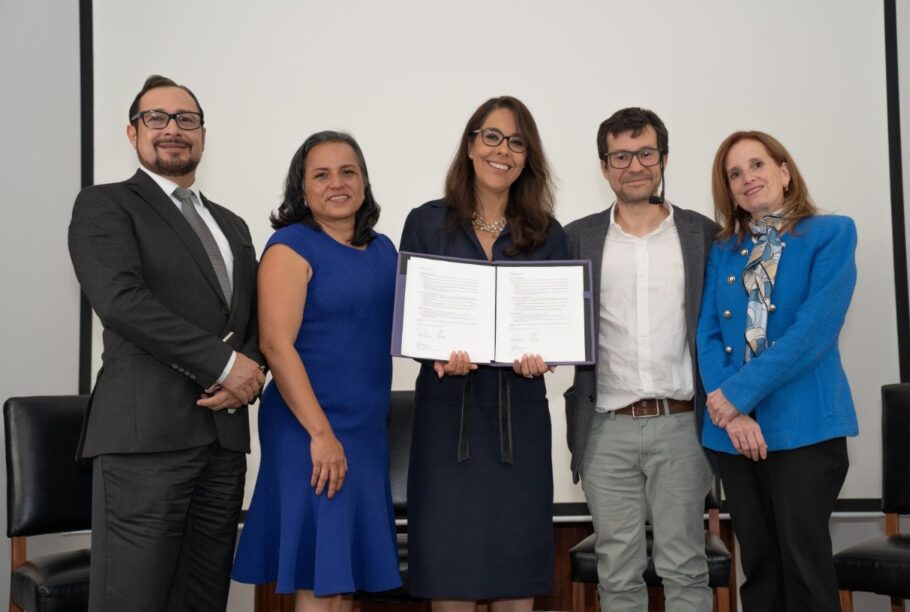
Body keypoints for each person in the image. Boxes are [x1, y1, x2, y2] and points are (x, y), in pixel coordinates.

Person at [67, 75, 265, 612]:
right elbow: (122, 302)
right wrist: (226, 365)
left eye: (187, 119)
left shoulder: (233, 224)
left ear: (203, 133)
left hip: (222, 444)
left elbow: (253, 321)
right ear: (132, 133)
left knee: (203, 602)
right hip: (144, 441)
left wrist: (253, 370)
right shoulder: (104, 205)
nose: (173, 129)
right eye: (157, 118)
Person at [399, 96, 567, 610]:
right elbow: (411, 319)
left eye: (517, 142)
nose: (504, 150)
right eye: (492, 136)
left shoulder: (548, 232)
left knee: (516, 581)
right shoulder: (427, 224)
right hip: (447, 423)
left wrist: (548, 356)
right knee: (449, 579)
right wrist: (430, 354)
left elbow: (556, 330)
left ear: (528, 156)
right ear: (471, 145)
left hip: (520, 419)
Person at [231, 131, 401, 610]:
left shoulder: (385, 249)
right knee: (318, 581)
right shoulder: (290, 246)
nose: (337, 183)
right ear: (301, 188)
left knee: (342, 581)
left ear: (364, 182)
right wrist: (321, 434)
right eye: (321, 175)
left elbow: (410, 328)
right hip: (310, 430)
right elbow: (275, 346)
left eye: (348, 172)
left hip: (365, 433)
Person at [564, 107, 717, 612]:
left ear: (664, 158)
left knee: (685, 569)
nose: (634, 166)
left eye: (645, 153)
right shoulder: (574, 239)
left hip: (680, 426)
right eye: (621, 156)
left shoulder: (703, 236)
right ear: (605, 166)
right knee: (618, 573)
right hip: (606, 427)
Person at [697, 130, 858, 611]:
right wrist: (733, 415)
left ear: (784, 172)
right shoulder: (724, 250)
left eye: (757, 165)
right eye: (735, 173)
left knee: (804, 568)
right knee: (760, 568)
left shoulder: (832, 233)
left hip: (804, 428)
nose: (748, 179)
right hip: (732, 434)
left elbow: (814, 331)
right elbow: (706, 334)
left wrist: (737, 396)